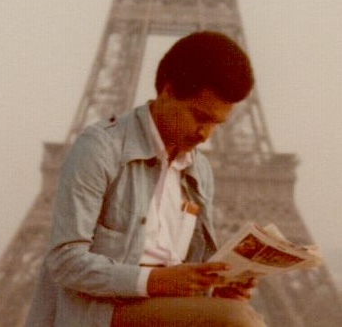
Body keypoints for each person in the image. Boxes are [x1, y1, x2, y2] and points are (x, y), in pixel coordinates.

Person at [25, 31, 266, 327]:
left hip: (166, 307)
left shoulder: (199, 170)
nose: (205, 134)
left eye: (217, 123)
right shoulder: (100, 149)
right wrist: (155, 281)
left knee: (235, 312)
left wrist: (220, 286)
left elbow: (188, 271)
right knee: (239, 322)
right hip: (102, 311)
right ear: (168, 91)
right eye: (199, 116)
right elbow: (65, 261)